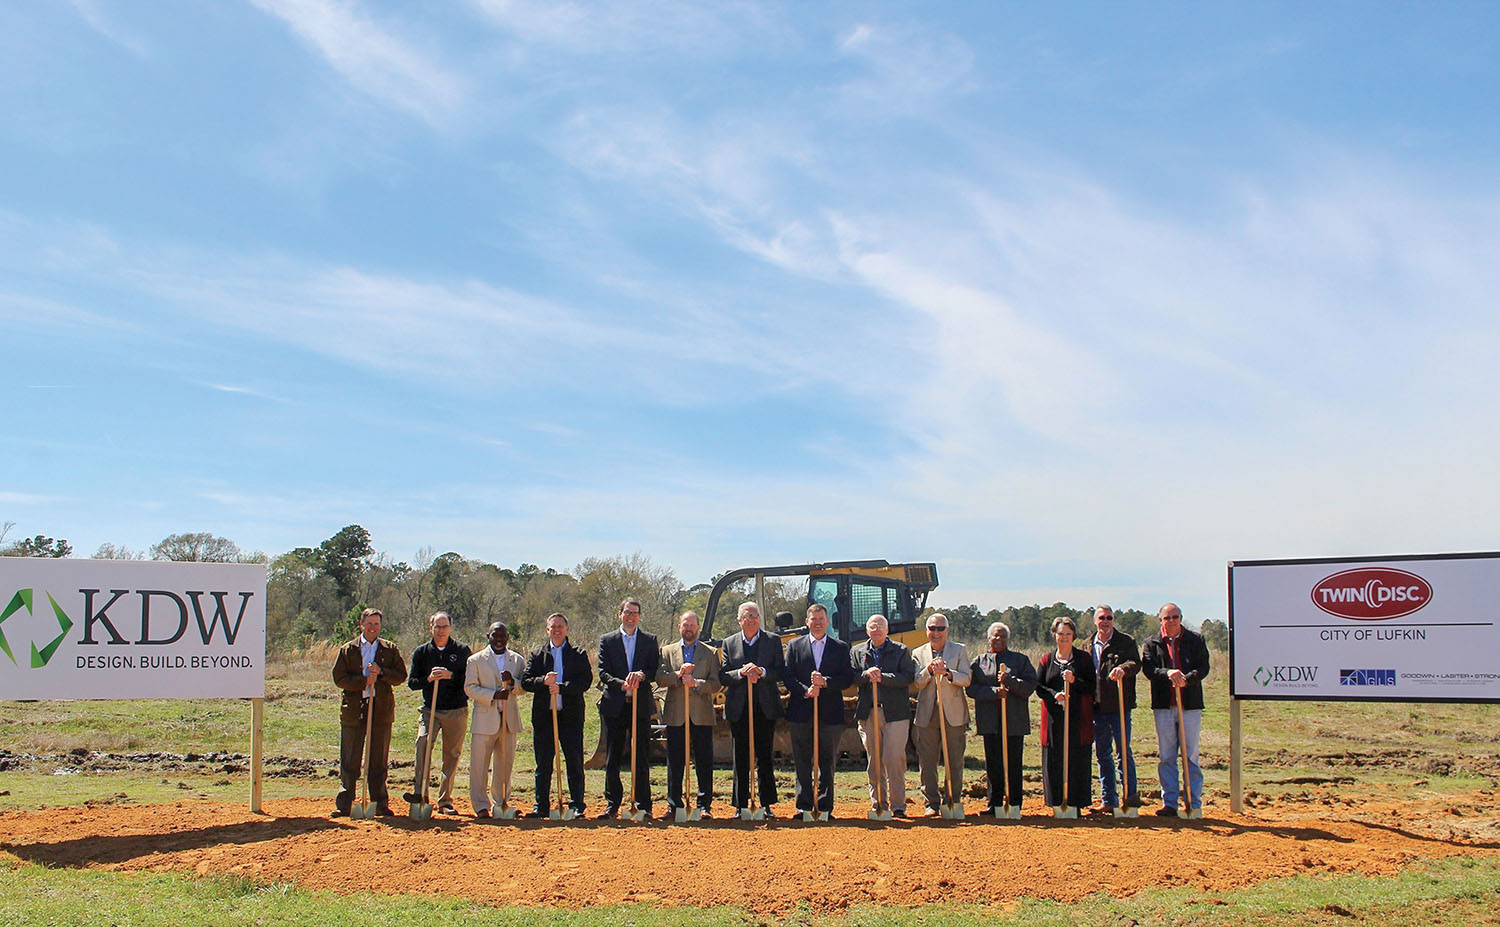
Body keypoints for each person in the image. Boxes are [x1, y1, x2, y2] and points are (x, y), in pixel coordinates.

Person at [331, 607, 407, 817]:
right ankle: (345, 803)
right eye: (369, 623)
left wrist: (381, 673)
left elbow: (401, 676)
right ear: (361, 625)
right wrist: (364, 681)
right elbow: (339, 678)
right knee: (350, 759)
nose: (373, 627)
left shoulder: (389, 649)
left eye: (376, 624)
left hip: (381, 710)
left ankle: (380, 803)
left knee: (378, 759)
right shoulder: (349, 650)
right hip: (354, 711)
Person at [1141, 602, 1211, 816]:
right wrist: (1168, 674)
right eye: (1167, 618)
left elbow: (1204, 667)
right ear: (1160, 620)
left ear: (1180, 618)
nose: (1171, 621)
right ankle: (1170, 802)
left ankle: (1193, 803)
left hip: (1189, 706)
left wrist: (1187, 680)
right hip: (1164, 705)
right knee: (1167, 756)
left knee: (1190, 755)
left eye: (1175, 617)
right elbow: (1149, 669)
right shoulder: (1152, 643)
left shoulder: (1195, 640)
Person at [784, 603, 854, 818]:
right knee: (802, 760)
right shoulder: (794, 646)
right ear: (807, 622)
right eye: (813, 619)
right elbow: (788, 676)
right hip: (801, 712)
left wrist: (825, 683)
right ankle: (803, 805)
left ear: (827, 622)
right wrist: (806, 691)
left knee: (827, 760)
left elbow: (847, 678)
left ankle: (824, 806)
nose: (817, 623)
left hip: (830, 714)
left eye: (821, 619)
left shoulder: (840, 647)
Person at [520, 612, 593, 818]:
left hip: (570, 716)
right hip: (544, 717)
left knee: (574, 761)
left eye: (561, 626)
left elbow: (585, 681)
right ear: (547, 630)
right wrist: (543, 681)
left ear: (567, 629)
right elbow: (525, 681)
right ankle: (541, 805)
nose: (557, 630)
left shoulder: (578, 654)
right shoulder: (537, 654)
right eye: (553, 627)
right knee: (543, 763)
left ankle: (577, 804)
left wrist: (561, 687)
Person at [718, 601, 785, 816]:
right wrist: (742, 673)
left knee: (765, 756)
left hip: (765, 707)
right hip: (739, 708)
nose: (752, 620)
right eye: (747, 616)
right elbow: (724, 675)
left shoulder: (773, 641)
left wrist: (762, 671)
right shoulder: (729, 643)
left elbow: (780, 671)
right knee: (741, 757)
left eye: (755, 616)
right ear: (739, 620)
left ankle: (766, 805)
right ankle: (740, 805)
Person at [597, 597, 661, 818]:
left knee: (641, 755)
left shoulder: (650, 640)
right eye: (627, 612)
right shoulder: (608, 640)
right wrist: (620, 683)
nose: (631, 616)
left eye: (635, 613)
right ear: (620, 614)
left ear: (640, 616)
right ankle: (612, 803)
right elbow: (603, 672)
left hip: (640, 705)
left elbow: (654, 670)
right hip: (615, 705)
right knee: (613, 755)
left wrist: (642, 675)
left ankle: (644, 804)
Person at [404, 611, 471, 814]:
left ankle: (445, 801)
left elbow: (469, 681)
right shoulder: (422, 652)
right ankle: (420, 794)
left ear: (450, 628)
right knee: (422, 743)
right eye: (437, 627)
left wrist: (451, 676)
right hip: (429, 710)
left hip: (456, 710)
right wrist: (429, 680)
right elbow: (412, 683)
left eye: (444, 627)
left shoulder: (462, 651)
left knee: (451, 755)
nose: (441, 631)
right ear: (430, 628)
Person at [656, 610, 722, 816]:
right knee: (675, 761)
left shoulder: (709, 652)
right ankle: (674, 805)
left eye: (692, 625)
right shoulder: (666, 651)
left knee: (704, 761)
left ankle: (704, 806)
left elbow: (717, 683)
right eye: (685, 625)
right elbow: (659, 678)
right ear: (679, 627)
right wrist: (678, 676)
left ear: (698, 627)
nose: (689, 629)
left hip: (701, 714)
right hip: (676, 714)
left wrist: (697, 683)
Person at [851, 614, 917, 816]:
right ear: (867, 630)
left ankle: (898, 806)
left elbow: (908, 677)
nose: (876, 630)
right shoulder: (857, 651)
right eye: (872, 627)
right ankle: (878, 804)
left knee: (895, 759)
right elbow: (851, 676)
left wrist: (883, 677)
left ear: (887, 630)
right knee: (874, 760)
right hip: (868, 712)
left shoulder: (900, 650)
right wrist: (865, 675)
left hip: (895, 713)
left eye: (880, 626)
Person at [967, 621, 1036, 814]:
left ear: (1007, 639)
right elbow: (971, 689)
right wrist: (994, 691)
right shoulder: (980, 661)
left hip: (1013, 721)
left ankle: (1014, 803)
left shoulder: (1020, 660)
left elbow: (1030, 686)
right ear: (988, 638)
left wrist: (1010, 681)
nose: (998, 639)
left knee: (1013, 763)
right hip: (990, 722)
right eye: (995, 635)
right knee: (993, 763)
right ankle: (994, 803)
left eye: (1002, 636)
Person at [911, 612, 972, 815]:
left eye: (940, 629)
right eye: (932, 628)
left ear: (947, 630)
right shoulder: (918, 653)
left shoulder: (959, 650)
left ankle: (952, 800)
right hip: (927, 714)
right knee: (927, 761)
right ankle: (931, 802)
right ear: (926, 631)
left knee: (954, 759)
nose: (935, 633)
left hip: (953, 713)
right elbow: (917, 682)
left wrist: (948, 673)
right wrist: (929, 670)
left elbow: (966, 679)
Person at [464, 620, 524, 818]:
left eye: (502, 636)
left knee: (505, 764)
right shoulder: (476, 660)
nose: (499, 640)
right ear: (487, 637)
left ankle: (501, 802)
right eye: (495, 636)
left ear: (507, 637)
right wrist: (492, 695)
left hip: (509, 719)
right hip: (484, 719)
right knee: (479, 764)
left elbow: (524, 686)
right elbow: (470, 687)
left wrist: (512, 683)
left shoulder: (517, 660)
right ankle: (480, 804)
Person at [1036, 616, 1096, 811]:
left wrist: (1073, 682)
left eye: (1068, 634)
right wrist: (1056, 694)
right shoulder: (1046, 659)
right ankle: (1056, 801)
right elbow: (1039, 687)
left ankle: (1076, 802)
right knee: (1054, 756)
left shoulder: (1084, 659)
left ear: (1074, 636)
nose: (1064, 638)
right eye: (1060, 634)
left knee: (1076, 757)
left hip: (1078, 717)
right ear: (1054, 635)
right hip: (1054, 716)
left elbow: (1091, 686)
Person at [1088, 605, 1141, 811]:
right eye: (1102, 618)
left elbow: (1135, 663)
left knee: (1123, 752)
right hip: (1097, 707)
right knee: (1102, 754)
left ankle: (1131, 797)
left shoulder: (1125, 642)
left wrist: (1123, 669)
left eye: (1109, 617)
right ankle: (1109, 800)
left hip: (1119, 705)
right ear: (1095, 620)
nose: (1106, 621)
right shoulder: (1087, 645)